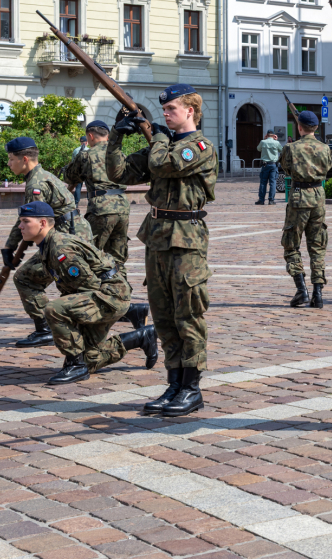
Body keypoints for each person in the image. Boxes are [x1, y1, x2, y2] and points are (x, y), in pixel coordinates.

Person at [107, 84, 217, 417]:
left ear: (191, 111)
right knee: (165, 316)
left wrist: (153, 134)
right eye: (164, 109)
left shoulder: (199, 146)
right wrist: (117, 136)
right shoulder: (163, 143)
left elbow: (165, 163)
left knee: (188, 315)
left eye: (171, 109)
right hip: (157, 237)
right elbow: (119, 173)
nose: (166, 114)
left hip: (187, 238)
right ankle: (173, 384)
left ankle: (191, 388)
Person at [14, 201, 158, 385]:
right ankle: (141, 337)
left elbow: (89, 286)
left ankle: (75, 365)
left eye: (25, 221)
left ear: (42, 223)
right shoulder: (48, 245)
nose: (20, 226)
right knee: (91, 359)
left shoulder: (60, 248)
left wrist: (72, 322)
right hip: (102, 294)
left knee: (54, 309)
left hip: (109, 295)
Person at [4, 136, 94, 348]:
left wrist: (10, 246)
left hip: (66, 238)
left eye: (11, 159)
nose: (8, 164)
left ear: (24, 159)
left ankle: (45, 329)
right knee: (79, 286)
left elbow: (29, 220)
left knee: (26, 278)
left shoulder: (35, 183)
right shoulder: (42, 176)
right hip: (72, 233)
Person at [63, 120, 149, 330]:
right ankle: (126, 306)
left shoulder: (86, 154)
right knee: (117, 258)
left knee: (90, 256)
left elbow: (70, 176)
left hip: (101, 208)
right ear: (108, 136)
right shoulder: (117, 152)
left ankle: (86, 306)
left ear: (90, 136)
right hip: (122, 206)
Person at [279, 110, 332, 308]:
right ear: (316, 128)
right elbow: (327, 169)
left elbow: (286, 169)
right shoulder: (325, 148)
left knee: (291, 243)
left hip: (299, 195)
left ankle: (301, 290)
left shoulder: (291, 148)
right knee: (317, 245)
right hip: (318, 196)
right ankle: (318, 292)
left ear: (299, 127)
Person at [256, 131, 283, 205]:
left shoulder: (263, 142)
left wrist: (264, 139)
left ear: (267, 135)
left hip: (265, 165)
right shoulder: (276, 143)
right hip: (273, 165)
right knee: (273, 183)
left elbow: (258, 149)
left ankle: (261, 200)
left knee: (263, 183)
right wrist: (276, 140)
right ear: (274, 135)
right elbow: (281, 150)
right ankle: (271, 200)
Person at [71, 136, 86, 204]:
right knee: (89, 187)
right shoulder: (89, 150)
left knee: (78, 187)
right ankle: (89, 201)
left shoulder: (76, 150)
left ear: (81, 142)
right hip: (86, 171)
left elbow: (72, 162)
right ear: (86, 142)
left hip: (77, 171)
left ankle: (76, 203)